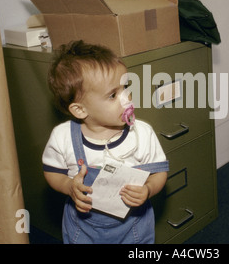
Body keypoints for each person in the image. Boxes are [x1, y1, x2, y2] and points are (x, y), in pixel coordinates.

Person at [42, 40, 169, 244]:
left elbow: (159, 172)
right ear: (80, 110)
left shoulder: (141, 133)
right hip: (84, 231)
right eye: (113, 95)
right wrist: (68, 186)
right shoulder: (62, 137)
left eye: (125, 87)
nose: (126, 97)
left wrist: (148, 189)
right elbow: (52, 171)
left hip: (133, 228)